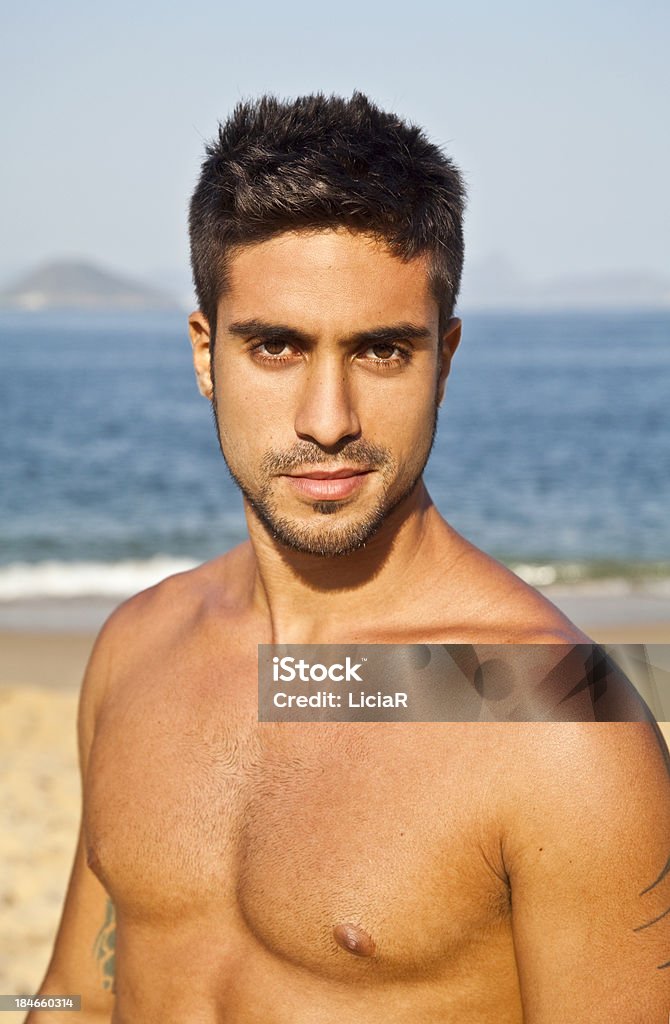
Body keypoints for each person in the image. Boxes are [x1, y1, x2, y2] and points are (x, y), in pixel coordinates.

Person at [29, 93, 669, 1022]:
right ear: (207, 353)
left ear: (444, 359)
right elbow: (75, 1000)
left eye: (380, 351)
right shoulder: (137, 649)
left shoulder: (560, 723)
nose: (328, 421)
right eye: (277, 346)